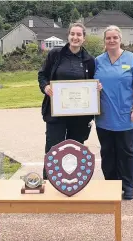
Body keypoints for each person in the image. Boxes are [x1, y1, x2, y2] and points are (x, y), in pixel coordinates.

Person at [38, 23, 100, 180]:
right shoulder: (55, 54)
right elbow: (42, 75)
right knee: (53, 148)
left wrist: (96, 88)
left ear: (84, 38)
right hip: (56, 112)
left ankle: (72, 182)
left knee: (75, 149)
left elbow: (93, 82)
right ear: (68, 35)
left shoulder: (89, 60)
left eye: (79, 35)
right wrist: (45, 87)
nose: (75, 37)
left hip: (79, 115)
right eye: (73, 34)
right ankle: (49, 181)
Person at [94, 25, 133, 200]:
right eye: (108, 38)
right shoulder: (98, 61)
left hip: (126, 116)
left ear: (120, 39)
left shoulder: (131, 59)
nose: (111, 40)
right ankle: (111, 185)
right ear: (104, 41)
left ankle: (128, 185)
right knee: (107, 152)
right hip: (104, 117)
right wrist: (95, 88)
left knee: (126, 152)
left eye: (115, 37)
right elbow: (89, 86)